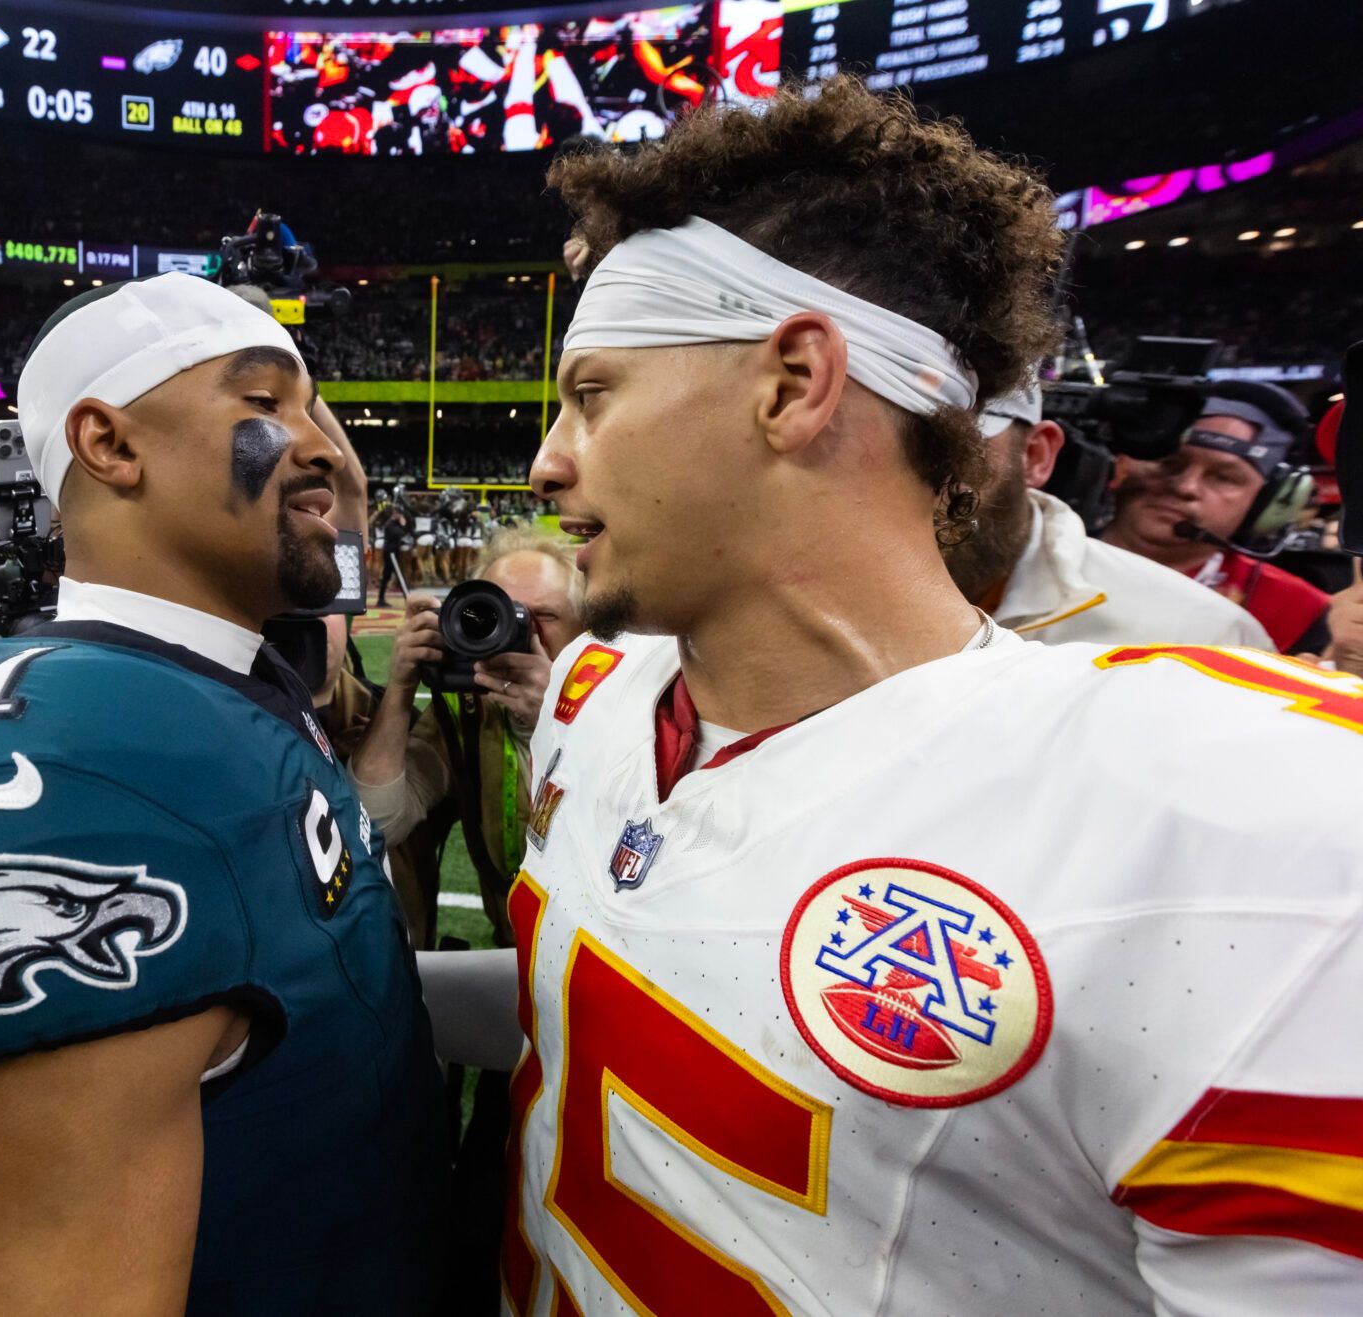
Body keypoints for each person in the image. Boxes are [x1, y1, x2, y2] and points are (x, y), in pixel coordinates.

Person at [460, 81, 1363, 1314]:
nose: (547, 457)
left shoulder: (1237, 824)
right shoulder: (599, 689)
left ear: (792, 382)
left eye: (595, 392)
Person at [0, 273, 445, 1315]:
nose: (328, 450)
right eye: (263, 404)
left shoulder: (214, 684)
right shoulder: (49, 776)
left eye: (315, 409)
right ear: (111, 446)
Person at [352, 528, 584, 948]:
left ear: (584, 628)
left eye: (542, 617)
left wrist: (557, 720)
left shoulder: (619, 706)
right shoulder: (464, 712)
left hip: (601, 954)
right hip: (510, 950)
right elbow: (377, 820)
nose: (516, 632)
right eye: (496, 613)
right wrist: (403, 685)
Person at [942, 382, 1273, 647]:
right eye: (1170, 464)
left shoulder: (1207, 633)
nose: (1186, 487)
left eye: (953, 451)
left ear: (1036, 455)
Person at [1101, 391, 1331, 652]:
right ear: (1123, 464)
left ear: (1267, 503)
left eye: (1223, 477)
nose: (1185, 487)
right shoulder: (1047, 550)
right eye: (1169, 463)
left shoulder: (1298, 611)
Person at [376, 505, 412, 605]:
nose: (401, 516)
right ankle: (408, 599)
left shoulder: (393, 524)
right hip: (390, 553)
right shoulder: (390, 525)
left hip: (392, 552)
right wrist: (403, 525)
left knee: (386, 577)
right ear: (395, 514)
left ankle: (380, 599)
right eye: (400, 514)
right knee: (399, 576)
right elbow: (401, 534)